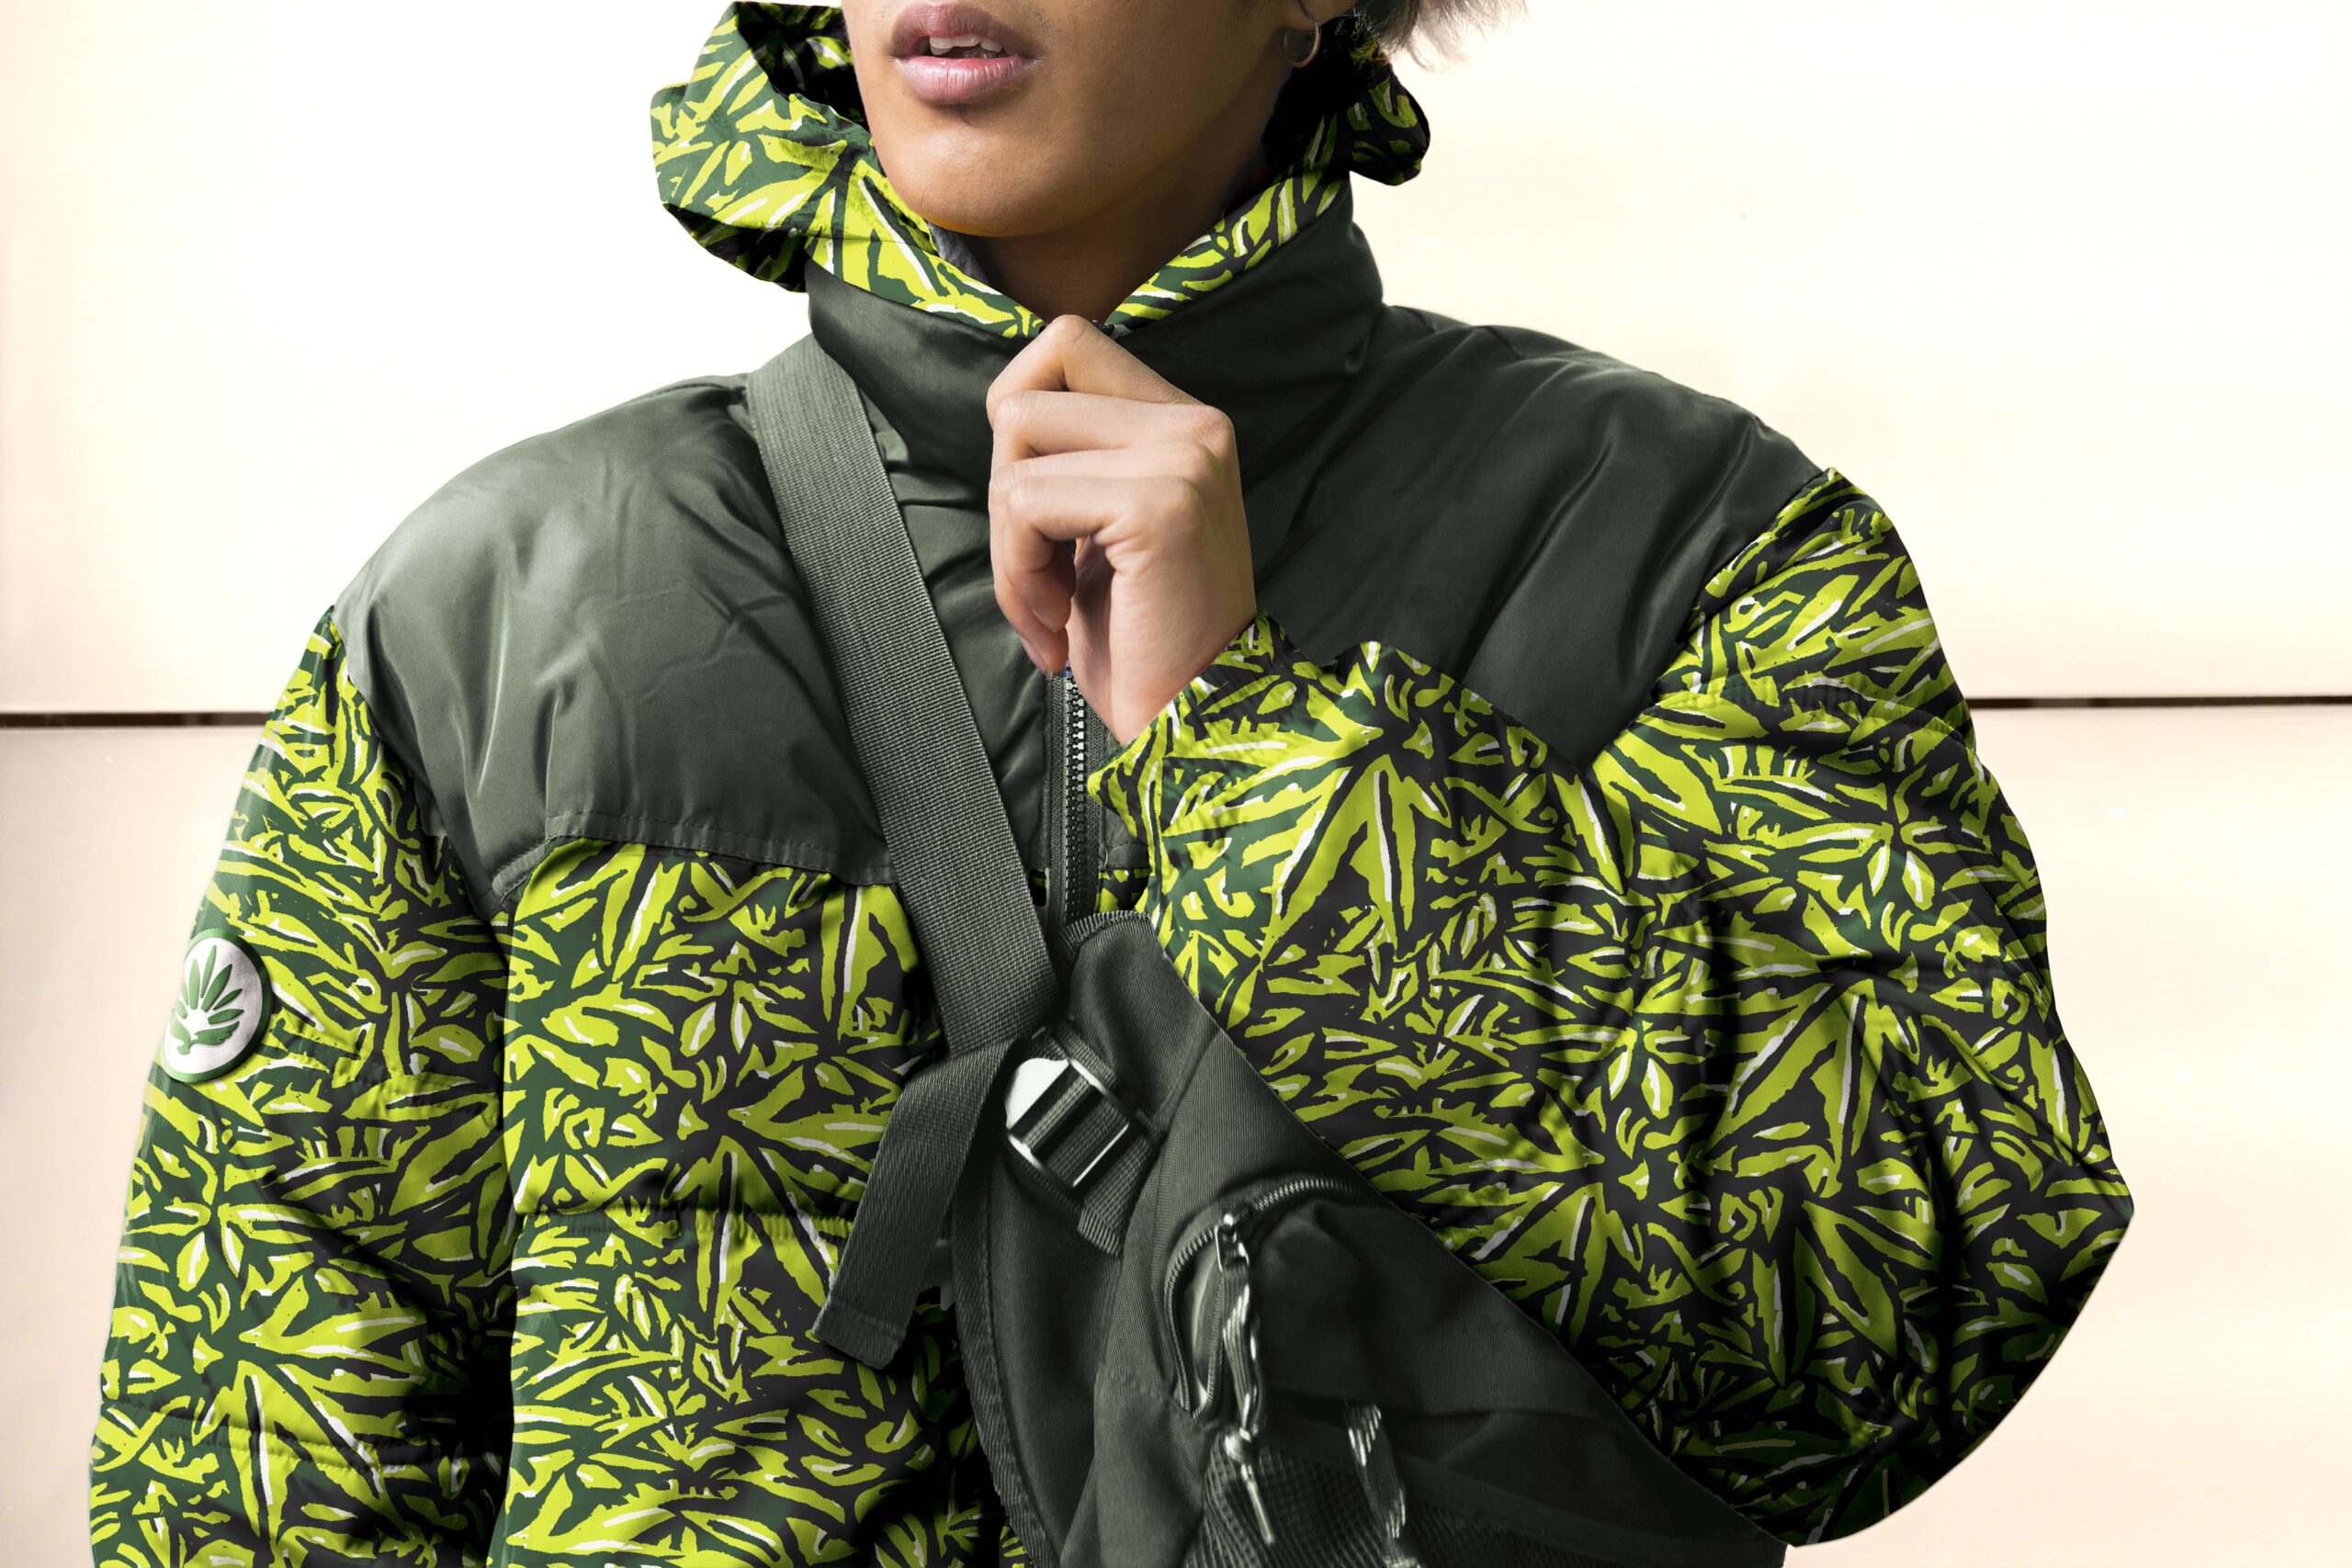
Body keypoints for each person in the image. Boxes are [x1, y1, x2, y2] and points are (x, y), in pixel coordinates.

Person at [85, 1, 2137, 1562]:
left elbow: (1902, 1327)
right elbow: (254, 1476)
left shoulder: (1686, 550)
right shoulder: (509, 609)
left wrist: (1258, 740)